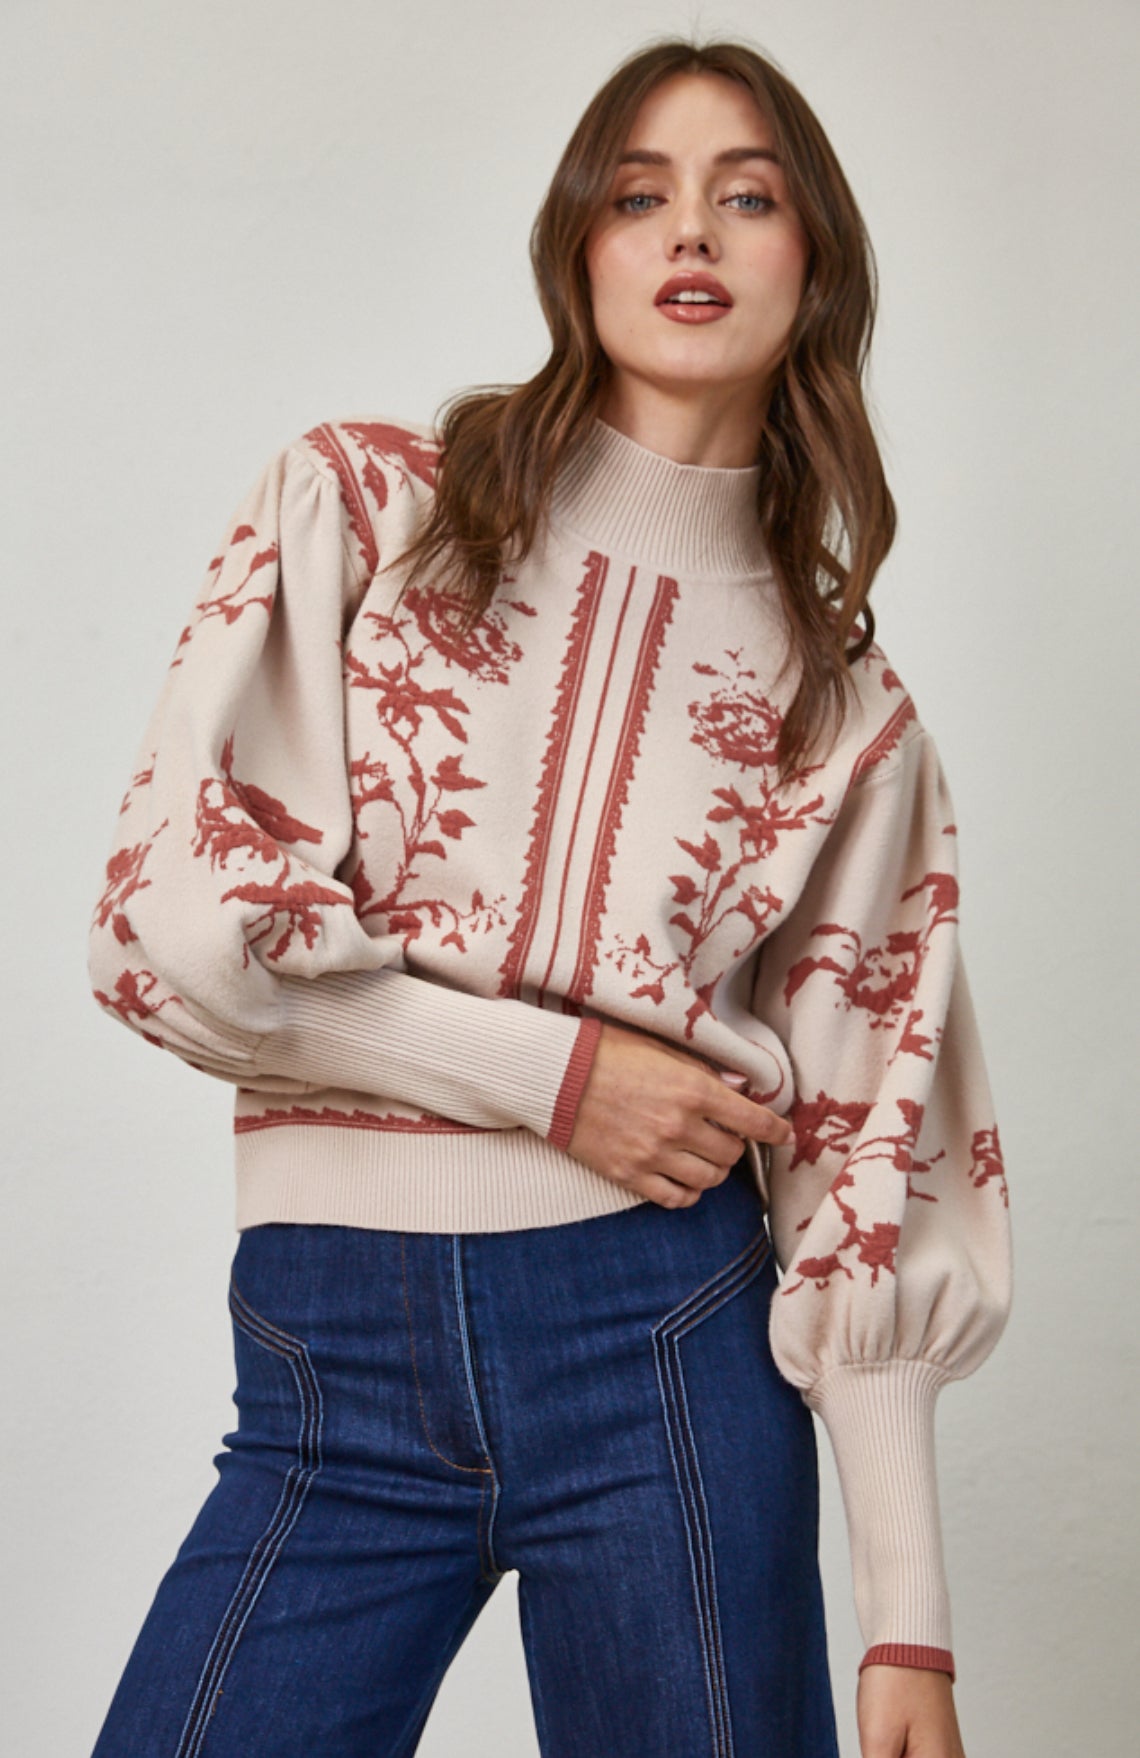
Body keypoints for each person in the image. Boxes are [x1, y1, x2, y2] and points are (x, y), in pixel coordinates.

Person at [85, 33, 1012, 1758]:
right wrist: (556, 1076)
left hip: (666, 1345)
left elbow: (868, 1153)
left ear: (816, 266)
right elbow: (170, 929)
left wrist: (910, 1622)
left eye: (750, 197)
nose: (693, 230)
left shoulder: (846, 713)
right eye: (640, 194)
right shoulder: (367, 508)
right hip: (334, 1354)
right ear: (576, 246)